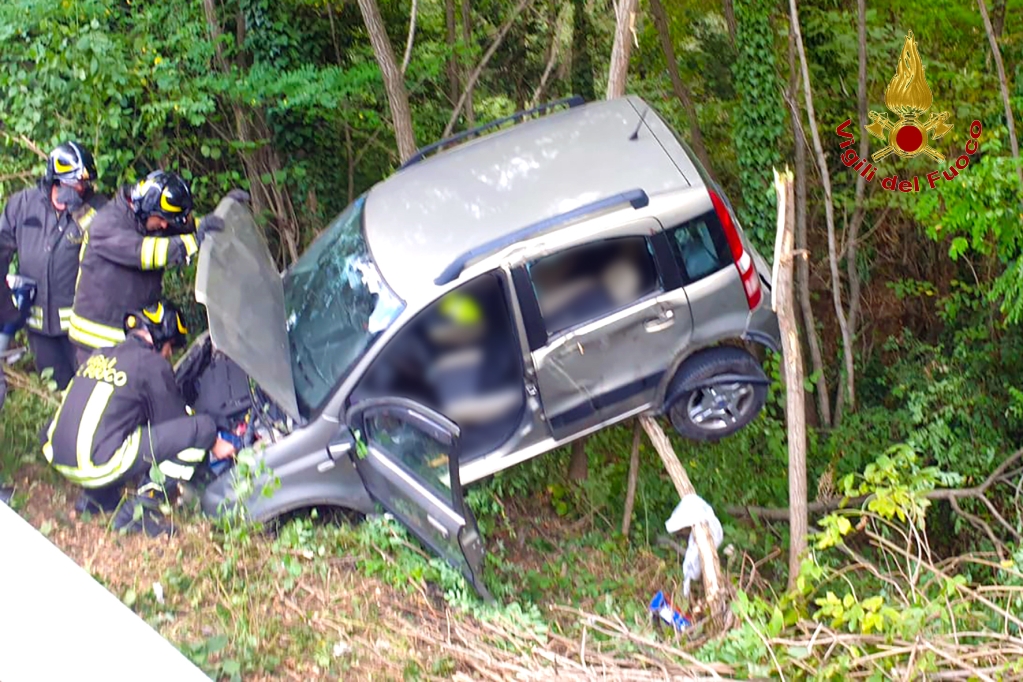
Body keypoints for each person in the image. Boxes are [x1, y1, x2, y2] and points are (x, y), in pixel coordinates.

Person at [42, 300, 237, 535]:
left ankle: (96, 497)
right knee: (201, 428)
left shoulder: (102, 353)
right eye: (171, 348)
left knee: (116, 431)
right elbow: (175, 425)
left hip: (58, 453)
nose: (169, 355)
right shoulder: (152, 364)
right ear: (161, 339)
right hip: (95, 465)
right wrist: (214, 441)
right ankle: (140, 511)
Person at [69, 170, 239, 364]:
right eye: (162, 219)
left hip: (128, 334)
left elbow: (183, 228)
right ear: (146, 208)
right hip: (95, 338)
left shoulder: (145, 218)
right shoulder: (105, 225)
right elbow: (144, 252)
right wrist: (192, 242)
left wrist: (218, 219)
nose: (164, 226)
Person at [0, 141, 108, 389]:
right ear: (55, 180)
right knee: (57, 395)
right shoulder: (23, 205)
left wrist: (79, 213)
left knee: (88, 392)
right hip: (39, 333)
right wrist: (6, 306)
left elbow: (115, 243)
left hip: (83, 333)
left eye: (85, 183)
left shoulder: (96, 209)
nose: (81, 188)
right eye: (75, 183)